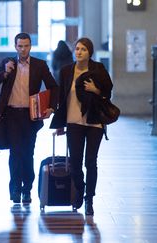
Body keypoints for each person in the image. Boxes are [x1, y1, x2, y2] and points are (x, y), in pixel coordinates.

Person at [0, 32, 58, 204]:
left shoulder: (40, 65)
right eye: (20, 46)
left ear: (30, 46)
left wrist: (51, 107)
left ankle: (27, 188)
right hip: (10, 115)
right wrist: (4, 73)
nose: (23, 49)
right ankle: (15, 189)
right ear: (15, 47)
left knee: (27, 153)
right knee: (15, 153)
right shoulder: (8, 63)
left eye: (26, 46)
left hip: (30, 116)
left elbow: (53, 87)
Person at [50, 37, 113, 215]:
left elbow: (108, 91)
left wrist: (96, 90)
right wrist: (59, 123)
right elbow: (62, 98)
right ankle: (80, 189)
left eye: (83, 49)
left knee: (91, 161)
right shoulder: (66, 71)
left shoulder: (98, 69)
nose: (79, 52)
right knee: (76, 163)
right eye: (77, 49)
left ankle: (89, 199)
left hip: (94, 121)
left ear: (89, 53)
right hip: (73, 121)